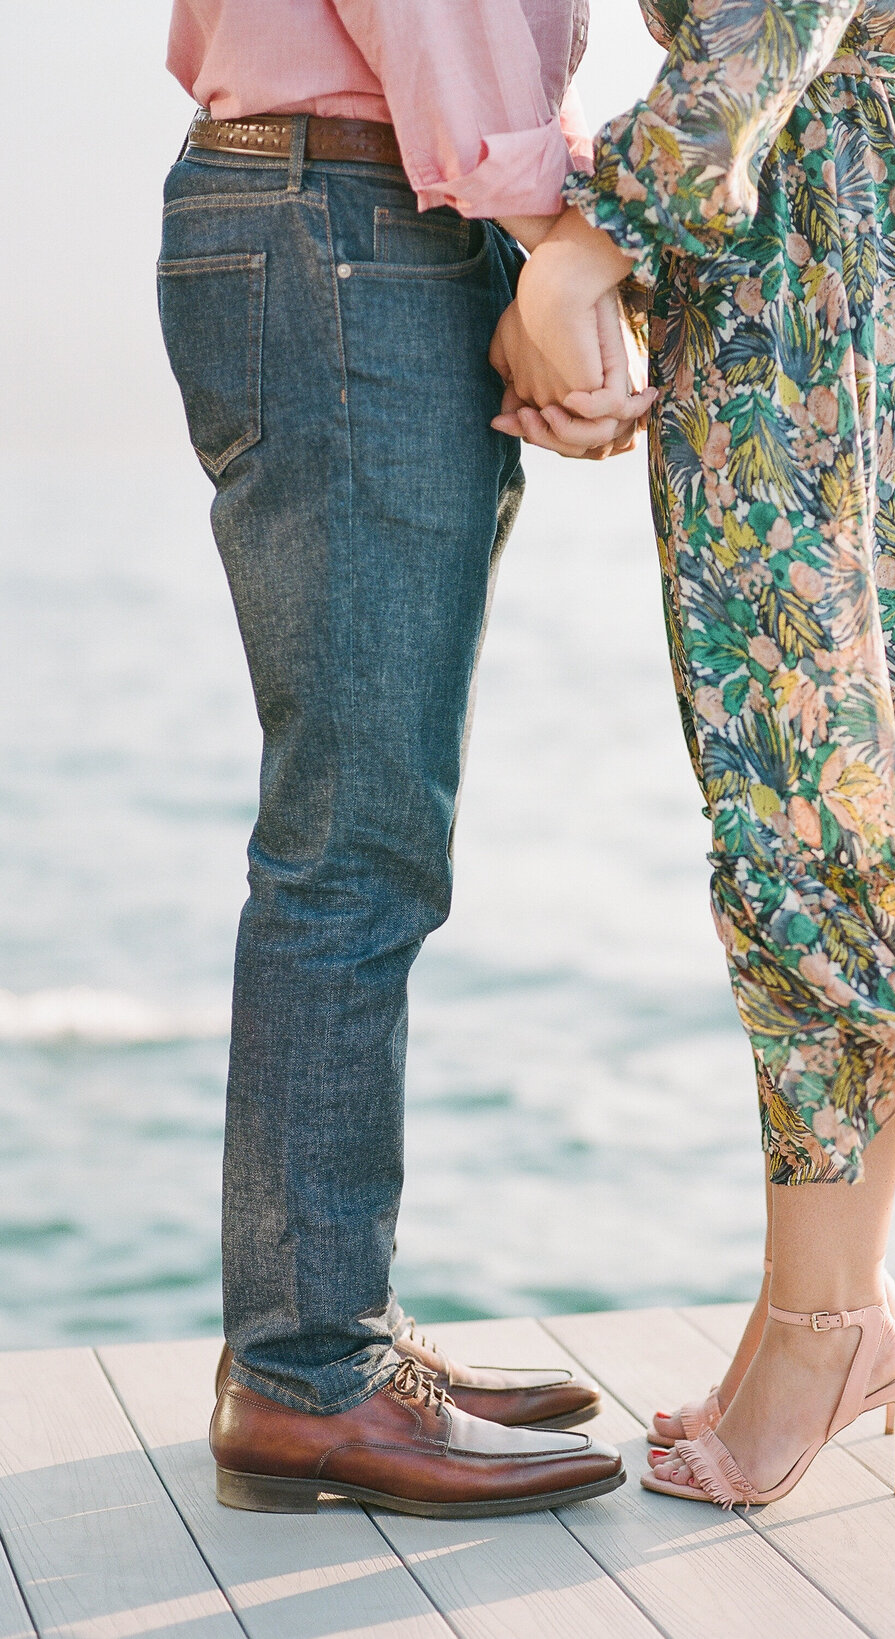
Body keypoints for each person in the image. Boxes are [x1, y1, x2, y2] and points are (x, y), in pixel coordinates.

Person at [493, 0, 895, 1507]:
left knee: (811, 800)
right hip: (824, 240)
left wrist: (580, 261)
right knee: (831, 788)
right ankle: (822, 1304)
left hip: (810, 264)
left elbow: (760, 31)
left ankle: (830, 1321)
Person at [157, 0, 650, 1517]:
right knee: (355, 840)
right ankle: (310, 1375)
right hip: (357, 217)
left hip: (350, 207)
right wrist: (552, 241)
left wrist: (523, 251)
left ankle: (326, 1334)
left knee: (364, 828)